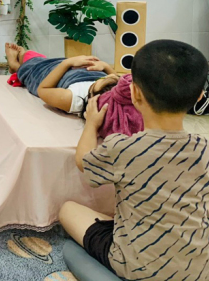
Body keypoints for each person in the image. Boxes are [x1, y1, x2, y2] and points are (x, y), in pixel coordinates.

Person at [59, 40, 209, 280]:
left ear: (135, 93)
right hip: (199, 269)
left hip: (136, 266)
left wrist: (91, 124)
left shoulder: (124, 147)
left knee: (67, 210)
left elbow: (84, 162)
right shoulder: (205, 149)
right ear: (199, 96)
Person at [6, 43, 119, 116]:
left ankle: (15, 66)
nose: (108, 76)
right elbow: (119, 79)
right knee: (32, 56)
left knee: (29, 60)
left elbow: (43, 89)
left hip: (55, 73)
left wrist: (67, 63)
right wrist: (105, 66)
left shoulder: (74, 98)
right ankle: (23, 61)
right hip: (75, 67)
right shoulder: (118, 92)